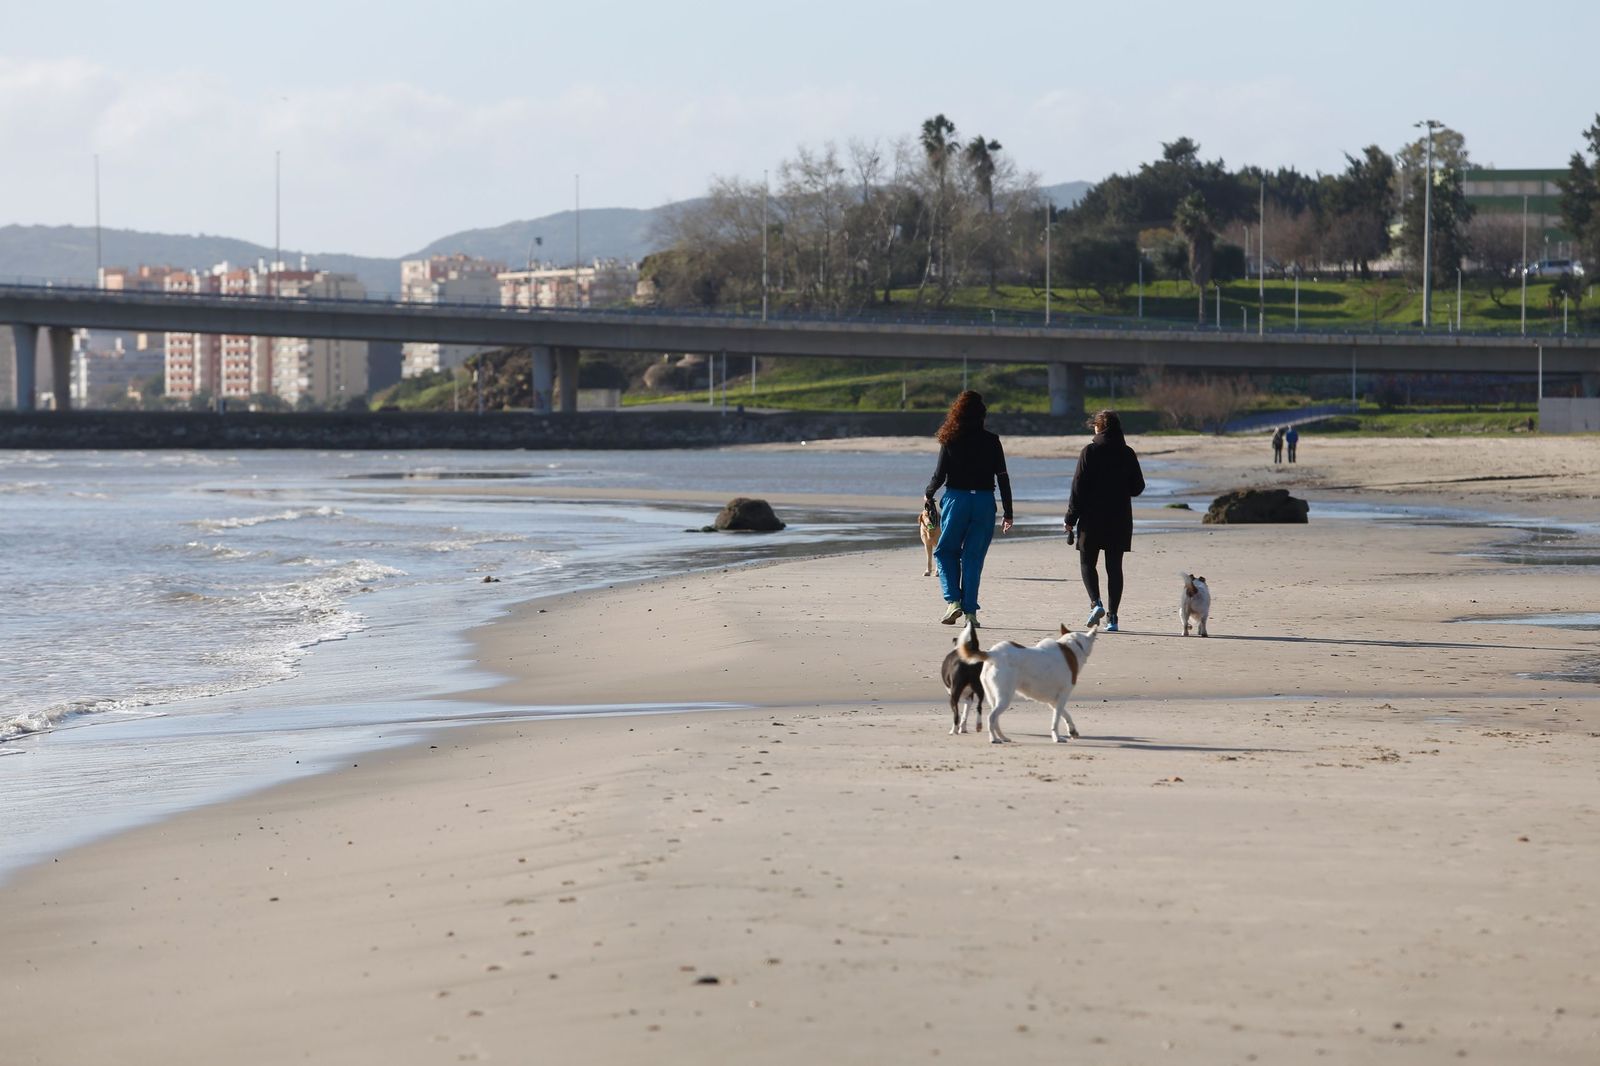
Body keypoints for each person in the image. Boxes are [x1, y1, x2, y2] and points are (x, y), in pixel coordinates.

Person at [924, 390, 1013, 627]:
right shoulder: (992, 440)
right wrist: (1008, 512)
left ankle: (953, 601)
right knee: (972, 558)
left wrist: (928, 494)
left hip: (957, 501)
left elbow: (939, 475)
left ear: (957, 414)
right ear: (982, 416)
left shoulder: (950, 439)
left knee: (945, 552)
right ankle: (971, 614)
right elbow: (1003, 477)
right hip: (984, 502)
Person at [1063, 409, 1145, 633]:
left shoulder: (1090, 451)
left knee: (1087, 563)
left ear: (1099, 427)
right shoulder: (1127, 453)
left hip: (1092, 517)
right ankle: (1113, 618)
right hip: (1119, 518)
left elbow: (1077, 489)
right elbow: (1138, 487)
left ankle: (1095, 603)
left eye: (1095, 426)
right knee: (1114, 568)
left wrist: (1070, 518)